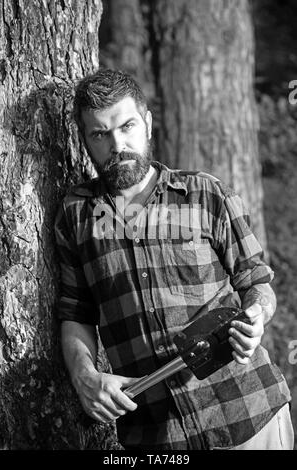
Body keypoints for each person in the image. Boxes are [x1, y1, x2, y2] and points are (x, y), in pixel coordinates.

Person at [54, 68, 294, 450]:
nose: (118, 145)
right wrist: (85, 374)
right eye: (100, 133)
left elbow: (256, 284)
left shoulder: (205, 193)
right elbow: (75, 312)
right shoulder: (76, 216)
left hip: (248, 414)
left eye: (127, 126)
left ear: (147, 123)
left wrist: (256, 318)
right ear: (84, 141)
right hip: (157, 435)